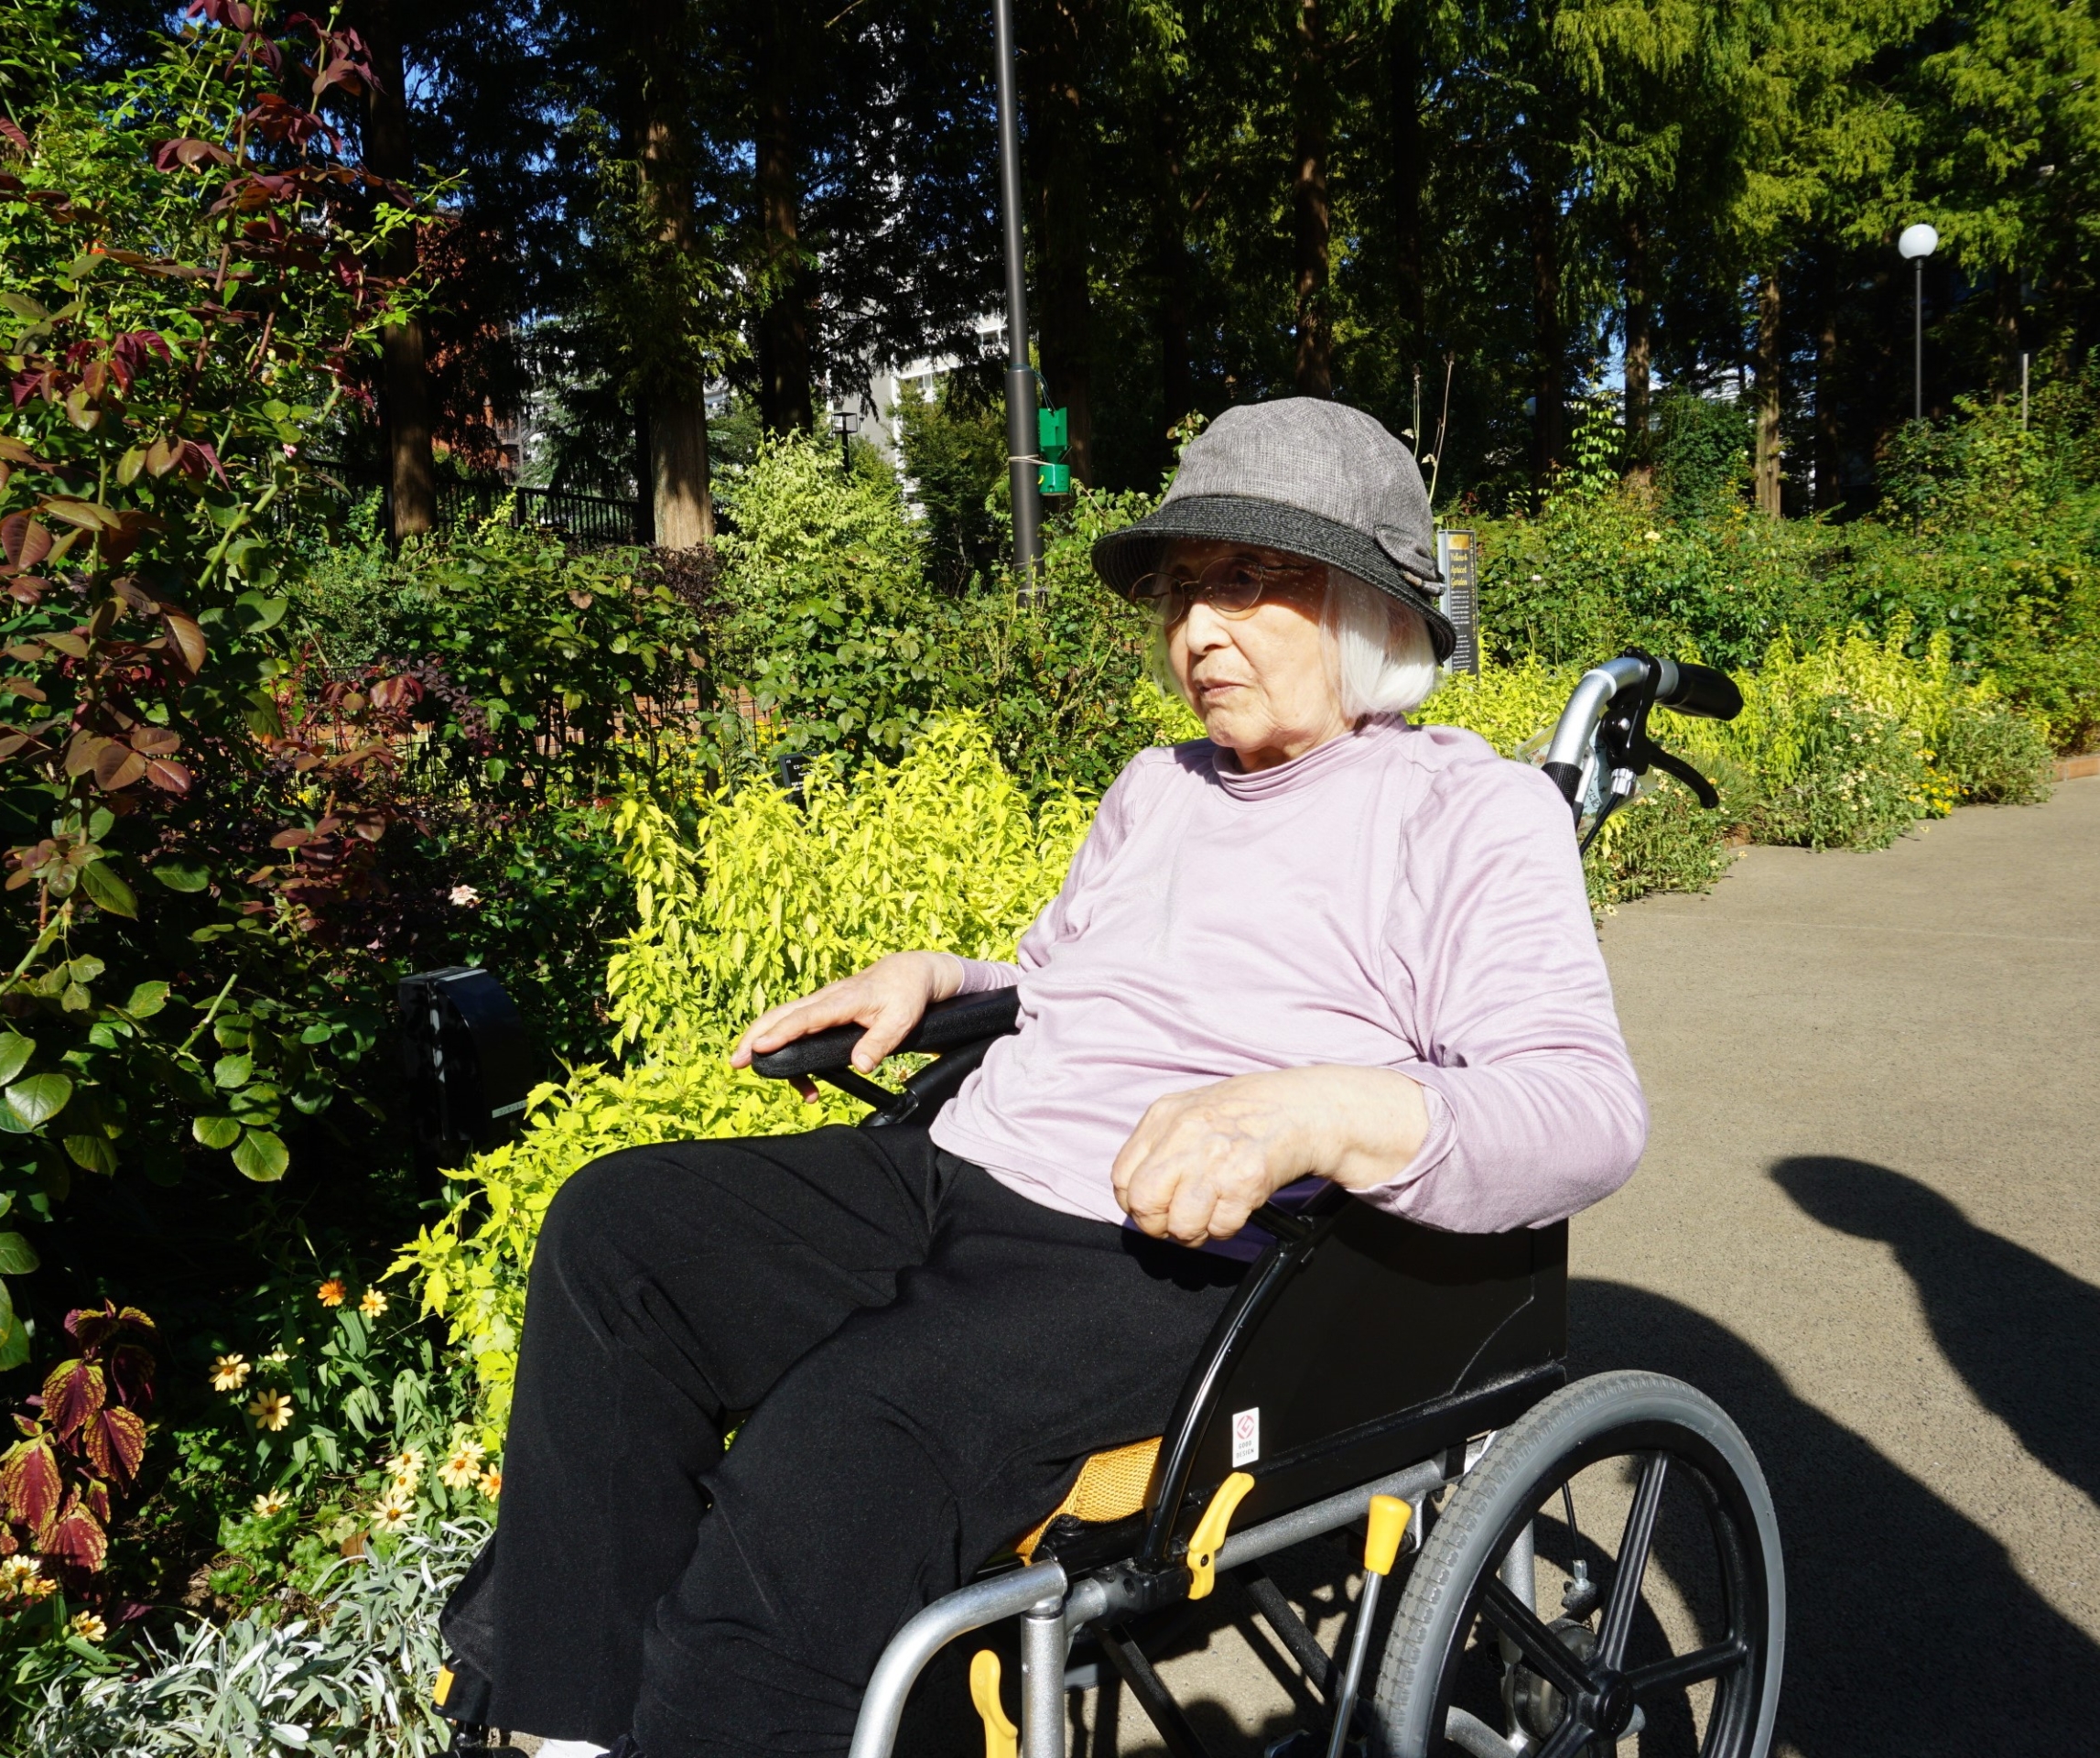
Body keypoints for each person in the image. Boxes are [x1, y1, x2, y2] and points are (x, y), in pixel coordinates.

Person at [464, 398, 1648, 1758]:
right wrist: (948, 979)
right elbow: (1083, 986)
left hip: (1173, 1255)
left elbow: (1585, 1111)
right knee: (622, 1233)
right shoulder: (1159, 786)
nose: (1197, 631)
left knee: (846, 1434)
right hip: (966, 1161)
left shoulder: (1470, 813)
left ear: (1371, 614)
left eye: (1249, 584)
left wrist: (1311, 1107)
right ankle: (572, 1730)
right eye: (1184, 591)